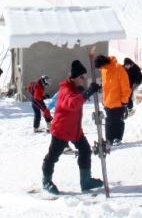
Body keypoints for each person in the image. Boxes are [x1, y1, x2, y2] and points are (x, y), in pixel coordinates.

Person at [41, 60, 103, 195]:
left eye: (84, 77)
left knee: (85, 150)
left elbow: (78, 98)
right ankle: (46, 182)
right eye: (82, 77)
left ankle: (85, 181)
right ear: (74, 78)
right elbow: (72, 104)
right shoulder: (65, 90)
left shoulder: (75, 88)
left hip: (75, 130)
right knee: (52, 157)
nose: (84, 79)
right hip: (62, 130)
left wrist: (89, 91)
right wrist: (87, 93)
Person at [94, 54, 130, 147]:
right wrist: (103, 99)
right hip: (107, 102)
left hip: (118, 101)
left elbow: (125, 85)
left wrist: (124, 100)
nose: (99, 69)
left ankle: (118, 138)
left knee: (118, 121)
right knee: (109, 122)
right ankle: (109, 139)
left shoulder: (118, 68)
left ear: (104, 63)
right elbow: (105, 86)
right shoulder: (104, 70)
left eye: (100, 67)